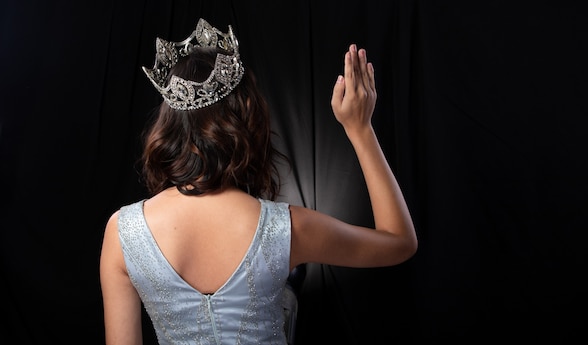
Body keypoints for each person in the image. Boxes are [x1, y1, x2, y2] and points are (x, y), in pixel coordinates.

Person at [99, 18, 417, 345]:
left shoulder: (123, 232)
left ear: (169, 124)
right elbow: (399, 242)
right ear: (248, 117)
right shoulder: (286, 228)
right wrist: (360, 129)